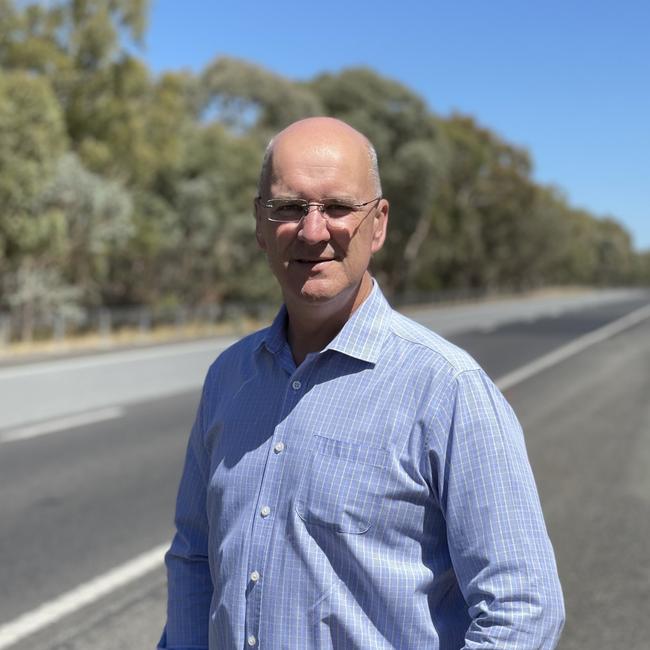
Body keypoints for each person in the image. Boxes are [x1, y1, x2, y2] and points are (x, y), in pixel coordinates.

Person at [158, 117, 565, 649]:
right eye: (288, 207)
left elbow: (523, 609)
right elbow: (195, 556)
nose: (312, 230)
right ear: (260, 224)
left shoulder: (446, 388)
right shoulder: (229, 377)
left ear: (378, 223)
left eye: (338, 208)